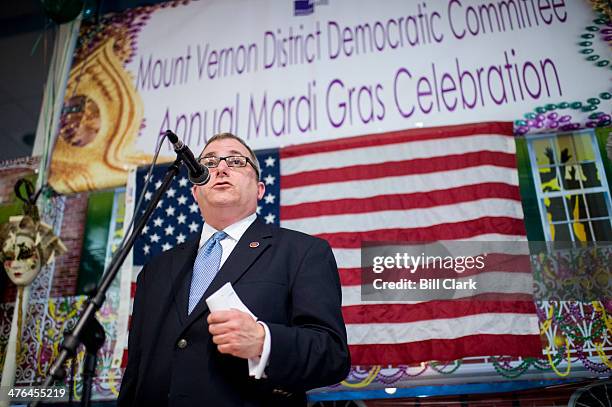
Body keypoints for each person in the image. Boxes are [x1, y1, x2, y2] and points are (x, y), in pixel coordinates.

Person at [118, 133, 350, 406]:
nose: (221, 168)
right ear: (195, 191)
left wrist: (264, 342)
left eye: (237, 161)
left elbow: (332, 356)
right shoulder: (154, 271)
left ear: (260, 189)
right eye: (210, 162)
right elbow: (135, 373)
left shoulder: (303, 252)